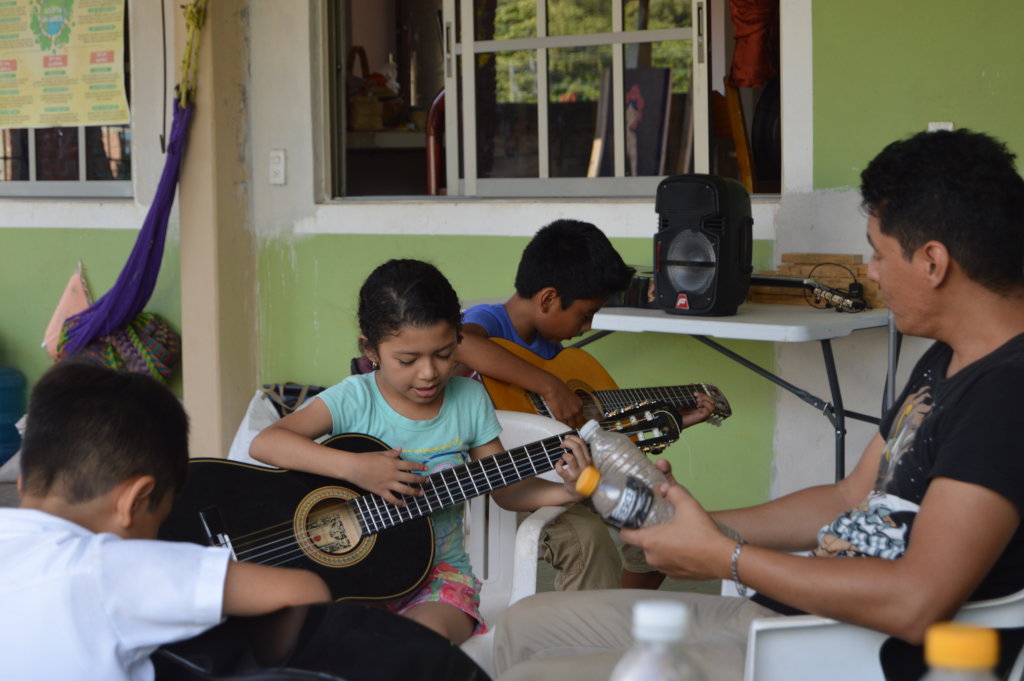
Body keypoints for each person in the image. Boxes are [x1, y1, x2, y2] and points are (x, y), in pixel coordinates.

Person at [493, 128, 1024, 681]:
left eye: (878, 253)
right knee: (523, 627)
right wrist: (689, 526)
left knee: (532, 677)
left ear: (933, 262)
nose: (871, 270)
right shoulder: (948, 358)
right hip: (791, 618)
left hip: (845, 652)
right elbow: (848, 496)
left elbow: (917, 600)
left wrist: (724, 558)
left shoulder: (1006, 397)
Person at [250, 258, 592, 645]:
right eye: (408, 360)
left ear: (458, 339)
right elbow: (266, 442)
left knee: (413, 645)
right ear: (370, 349)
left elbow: (506, 489)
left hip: (438, 581)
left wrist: (568, 490)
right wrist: (353, 468)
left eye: (444, 354)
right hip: (351, 580)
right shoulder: (354, 399)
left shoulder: (469, 400)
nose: (429, 373)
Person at [0, 360, 332, 681]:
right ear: (134, 501)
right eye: (160, 519)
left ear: (23, 482)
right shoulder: (106, 568)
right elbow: (303, 590)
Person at [459, 219, 718, 591]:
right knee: (589, 541)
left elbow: (598, 433)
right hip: (519, 483)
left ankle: (619, 610)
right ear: (548, 299)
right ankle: (589, 622)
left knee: (662, 514)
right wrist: (549, 386)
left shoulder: (560, 358)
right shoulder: (490, 321)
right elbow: (461, 343)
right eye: (585, 314)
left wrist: (668, 421)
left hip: (575, 473)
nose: (587, 326)